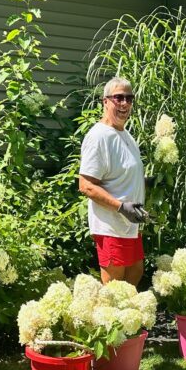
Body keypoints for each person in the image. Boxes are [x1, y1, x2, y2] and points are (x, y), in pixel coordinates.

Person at [78, 77, 149, 287]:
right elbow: (86, 185)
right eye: (118, 97)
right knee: (114, 291)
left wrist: (146, 182)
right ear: (105, 101)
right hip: (111, 226)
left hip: (131, 225)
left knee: (135, 275)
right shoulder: (99, 136)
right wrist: (120, 207)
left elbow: (121, 174)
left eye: (129, 98)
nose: (124, 103)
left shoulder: (125, 134)